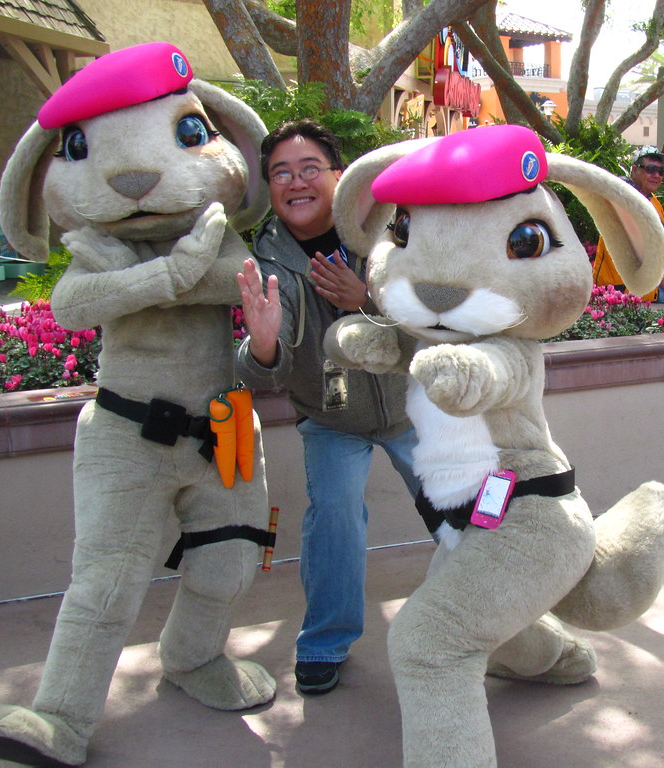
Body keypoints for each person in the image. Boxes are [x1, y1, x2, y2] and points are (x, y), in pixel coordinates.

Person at [235, 119, 425, 696]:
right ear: (269, 187)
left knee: (462, 509)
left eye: (309, 168)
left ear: (339, 176)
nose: (296, 182)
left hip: (410, 407)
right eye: (281, 173)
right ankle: (324, 643)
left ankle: (506, 617)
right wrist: (263, 342)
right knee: (335, 512)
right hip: (330, 415)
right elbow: (259, 366)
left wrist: (363, 298)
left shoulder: (385, 232)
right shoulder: (266, 257)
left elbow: (431, 319)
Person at [591, 146, 664, 310]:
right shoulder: (623, 200)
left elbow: (661, 243)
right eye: (651, 169)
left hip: (649, 282)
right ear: (634, 170)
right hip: (625, 285)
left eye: (661, 171)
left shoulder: (651, 200)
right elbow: (632, 250)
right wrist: (660, 279)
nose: (657, 175)